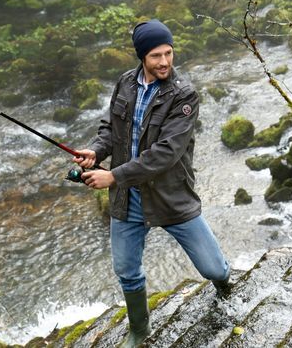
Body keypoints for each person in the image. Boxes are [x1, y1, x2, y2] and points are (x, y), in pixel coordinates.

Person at [73, 19, 230, 348]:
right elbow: (110, 130)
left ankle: (226, 286)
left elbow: (166, 153)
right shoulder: (125, 83)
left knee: (213, 269)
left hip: (171, 197)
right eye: (156, 55)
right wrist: (96, 151)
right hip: (127, 200)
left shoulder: (184, 95)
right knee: (126, 270)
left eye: (169, 53)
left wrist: (113, 176)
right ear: (142, 56)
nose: (164, 62)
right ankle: (139, 330)